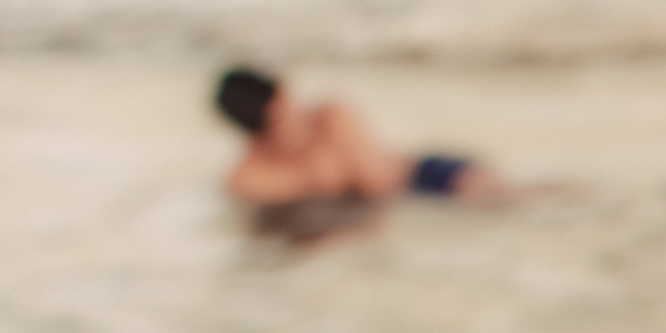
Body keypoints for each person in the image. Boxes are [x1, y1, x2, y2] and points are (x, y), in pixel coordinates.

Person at [213, 65, 506, 242]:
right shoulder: (245, 175)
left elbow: (375, 184)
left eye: (287, 107)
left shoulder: (331, 114)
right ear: (251, 132)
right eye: (276, 123)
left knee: (512, 200)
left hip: (423, 175)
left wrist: (316, 176)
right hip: (389, 203)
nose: (290, 124)